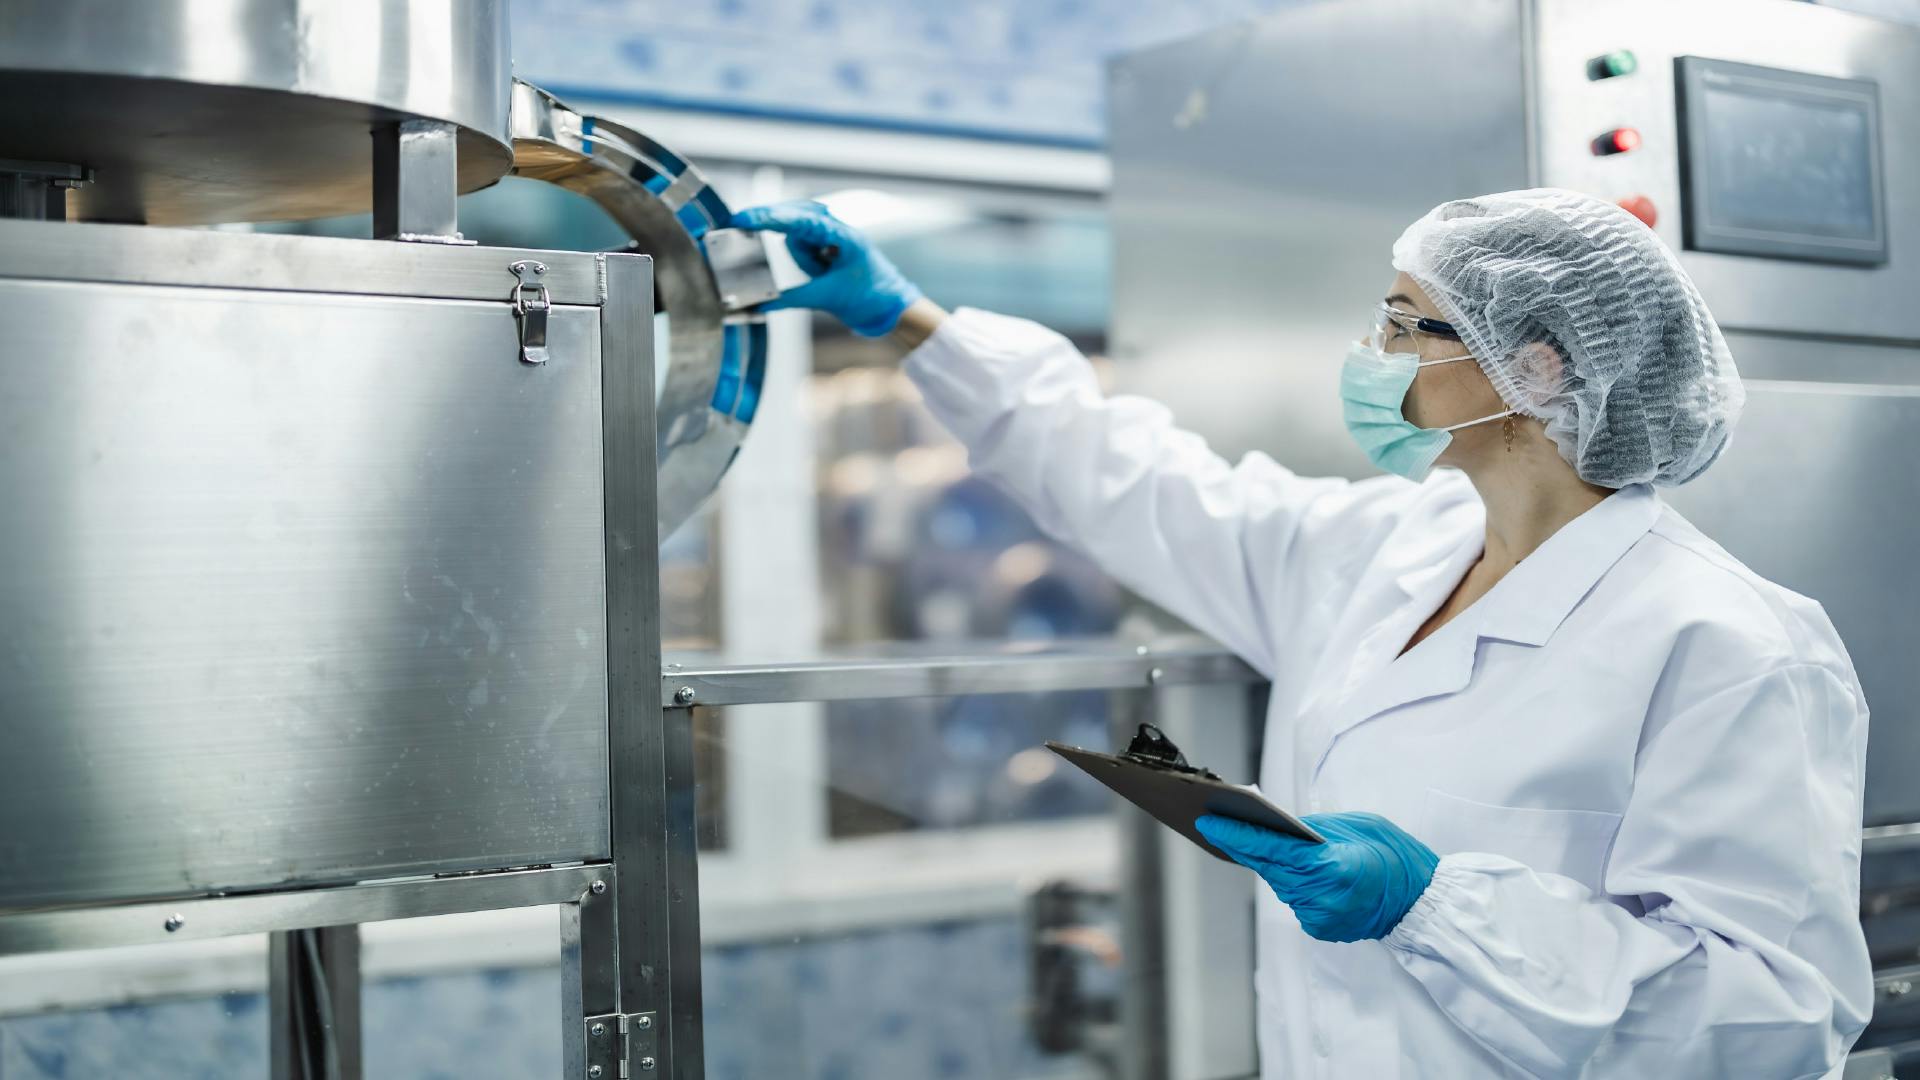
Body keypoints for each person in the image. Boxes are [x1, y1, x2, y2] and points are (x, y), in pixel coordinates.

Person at [731, 189, 1873, 1079]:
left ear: (1534, 365)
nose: (1372, 355)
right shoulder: (1386, 546)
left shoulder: (1726, 644)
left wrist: (1435, 904)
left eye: (1401, 322)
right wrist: (907, 321)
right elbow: (1143, 488)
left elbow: (1772, 1017)